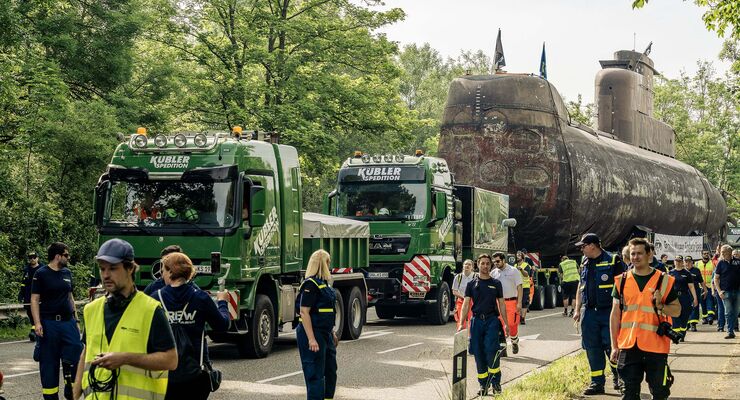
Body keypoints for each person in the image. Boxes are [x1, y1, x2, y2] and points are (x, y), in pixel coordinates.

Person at [73, 238, 177, 400]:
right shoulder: (91, 309)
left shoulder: (150, 309)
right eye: (102, 269)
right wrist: (75, 394)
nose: (106, 275)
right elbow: (85, 353)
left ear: (130, 268)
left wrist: (125, 358)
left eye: (113, 268)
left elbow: (171, 360)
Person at [609, 237, 680, 400]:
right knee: (628, 393)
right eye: (632, 254)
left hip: (656, 345)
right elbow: (615, 315)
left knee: (660, 393)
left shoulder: (664, 281)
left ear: (649, 255)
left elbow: (677, 311)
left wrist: (661, 305)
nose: (635, 257)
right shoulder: (621, 281)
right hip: (628, 345)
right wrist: (614, 346)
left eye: (639, 253)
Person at [152, 252, 230, 399]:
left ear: (170, 272)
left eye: (163, 270)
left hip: (164, 375)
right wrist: (223, 303)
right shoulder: (200, 298)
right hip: (195, 375)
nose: (162, 275)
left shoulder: (156, 298)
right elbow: (222, 325)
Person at [573, 233, 626, 395]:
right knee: (592, 347)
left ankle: (620, 379)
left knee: (612, 346)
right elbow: (581, 286)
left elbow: (624, 286)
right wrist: (577, 309)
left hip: (609, 311)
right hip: (590, 313)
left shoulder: (613, 260)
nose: (581, 249)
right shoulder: (584, 262)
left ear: (593, 245)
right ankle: (597, 382)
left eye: (583, 246)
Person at [31, 242, 83, 400]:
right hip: (49, 324)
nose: (68, 258)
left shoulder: (67, 273)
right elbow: (34, 299)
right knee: (49, 363)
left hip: (68, 323)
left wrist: (76, 318)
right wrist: (37, 323)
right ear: (57, 256)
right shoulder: (41, 274)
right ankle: (51, 396)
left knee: (77, 354)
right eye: (66, 255)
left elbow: (70, 296)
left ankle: (71, 388)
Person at [458, 254, 509, 396]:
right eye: (483, 264)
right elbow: (466, 304)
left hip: (492, 321)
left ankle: (496, 384)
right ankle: (483, 385)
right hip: (476, 322)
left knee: (492, 351)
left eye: (488, 264)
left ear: (490, 265)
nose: (485, 266)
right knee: (478, 353)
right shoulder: (471, 285)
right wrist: (461, 323)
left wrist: (506, 324)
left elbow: (502, 305)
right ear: (478, 265)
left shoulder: (496, 284)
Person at [296, 250, 338, 400]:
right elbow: (304, 312)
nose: (330, 264)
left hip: (325, 333)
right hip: (313, 333)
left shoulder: (324, 284)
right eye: (328, 261)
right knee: (315, 373)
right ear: (323, 264)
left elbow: (327, 312)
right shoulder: (310, 284)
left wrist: (331, 332)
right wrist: (311, 339)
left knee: (330, 371)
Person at [491, 252, 522, 354]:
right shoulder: (493, 273)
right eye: (494, 262)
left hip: (512, 302)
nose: (496, 263)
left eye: (498, 261)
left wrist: (519, 303)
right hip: (499, 303)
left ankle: (514, 341)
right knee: (500, 325)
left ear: (504, 260)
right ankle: (503, 348)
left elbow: (519, 287)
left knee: (512, 324)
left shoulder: (513, 271)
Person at [668, 255, 698, 341]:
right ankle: (675, 336)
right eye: (676, 261)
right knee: (674, 316)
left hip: (684, 296)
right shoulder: (670, 273)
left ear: (682, 262)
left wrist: (695, 298)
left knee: (684, 316)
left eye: (679, 261)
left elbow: (691, 287)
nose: (678, 262)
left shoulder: (687, 273)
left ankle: (682, 333)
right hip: (673, 297)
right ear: (674, 262)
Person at [19, 251, 45, 342]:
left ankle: (34, 330)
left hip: (40, 296)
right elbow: (23, 283)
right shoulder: (26, 270)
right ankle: (34, 328)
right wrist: (21, 294)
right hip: (28, 295)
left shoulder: (42, 269)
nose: (32, 259)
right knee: (30, 312)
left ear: (37, 258)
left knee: (40, 312)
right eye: (30, 258)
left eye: (34, 257)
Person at [714, 245, 739, 339]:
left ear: (730, 252)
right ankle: (730, 331)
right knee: (728, 312)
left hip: (737, 291)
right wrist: (719, 291)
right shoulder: (720, 263)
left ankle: (731, 328)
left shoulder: (737, 262)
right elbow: (716, 279)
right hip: (725, 292)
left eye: (724, 252)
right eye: (721, 252)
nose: (722, 253)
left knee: (736, 312)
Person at [452, 259, 476, 330]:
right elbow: (454, 291)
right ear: (463, 266)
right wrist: (465, 297)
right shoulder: (458, 277)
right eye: (465, 264)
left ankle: (471, 338)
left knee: (472, 321)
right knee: (460, 321)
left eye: (469, 264)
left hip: (473, 302)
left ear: (472, 267)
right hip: (461, 301)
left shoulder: (476, 277)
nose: (467, 266)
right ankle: (461, 338)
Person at [685, 256, 705, 332]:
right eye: (686, 262)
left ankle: (693, 324)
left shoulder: (696, 270)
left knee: (695, 307)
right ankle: (687, 323)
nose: (688, 263)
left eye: (689, 262)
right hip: (685, 292)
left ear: (692, 263)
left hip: (696, 291)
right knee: (686, 307)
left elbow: (701, 281)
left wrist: (705, 290)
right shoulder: (682, 271)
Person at [696, 249, 716, 324]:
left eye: (707, 253)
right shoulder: (697, 263)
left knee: (710, 300)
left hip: (709, 285)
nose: (706, 254)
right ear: (702, 255)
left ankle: (710, 317)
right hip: (700, 286)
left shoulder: (712, 263)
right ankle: (705, 317)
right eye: (704, 253)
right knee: (702, 302)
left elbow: (715, 275)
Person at [514, 251, 532, 325]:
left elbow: (526, 274)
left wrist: (521, 270)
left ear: (522, 257)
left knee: (524, 303)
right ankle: (518, 317)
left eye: (519, 255)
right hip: (516, 287)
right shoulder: (514, 266)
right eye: (517, 255)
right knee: (517, 302)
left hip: (524, 287)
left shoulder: (526, 265)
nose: (517, 256)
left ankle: (523, 318)